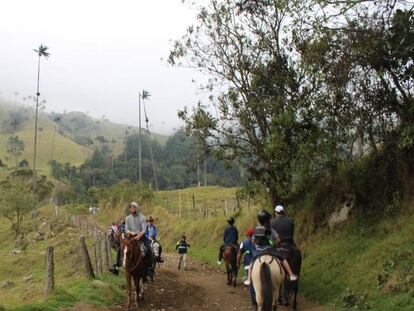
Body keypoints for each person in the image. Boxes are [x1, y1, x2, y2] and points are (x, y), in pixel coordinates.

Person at [124, 201, 153, 281]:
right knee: (123, 248)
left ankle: (149, 269)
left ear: (137, 208)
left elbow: (144, 229)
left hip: (141, 236)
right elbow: (126, 229)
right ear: (129, 209)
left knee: (149, 249)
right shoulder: (127, 218)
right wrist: (131, 233)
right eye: (131, 207)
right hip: (131, 236)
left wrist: (139, 235)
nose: (132, 208)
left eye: (134, 207)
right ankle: (120, 264)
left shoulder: (142, 217)